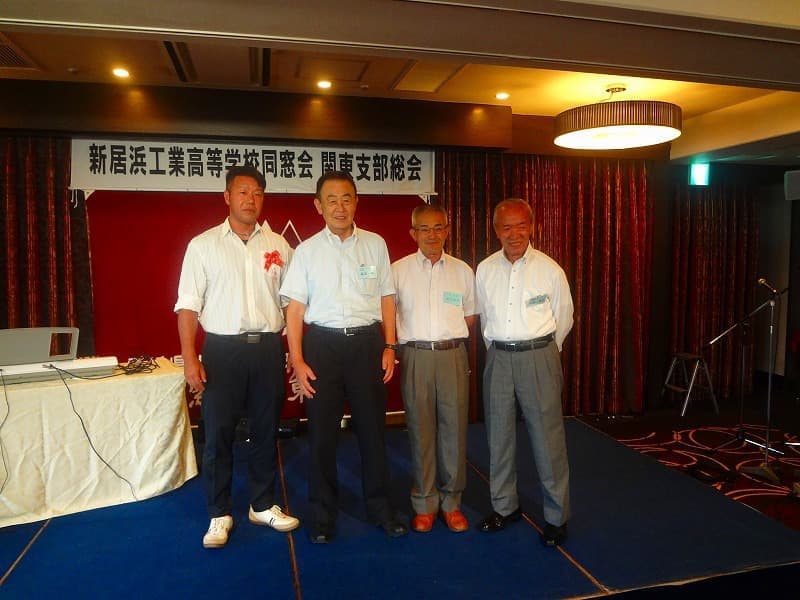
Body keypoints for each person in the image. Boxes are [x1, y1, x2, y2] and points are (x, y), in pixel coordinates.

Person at [175, 164, 299, 549]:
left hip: (267, 349)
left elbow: (292, 304)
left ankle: (262, 504)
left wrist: (294, 352)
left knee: (265, 429)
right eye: (243, 192)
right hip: (222, 350)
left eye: (258, 193)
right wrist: (190, 357)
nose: (251, 199)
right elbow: (187, 306)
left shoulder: (279, 246)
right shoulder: (203, 245)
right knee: (218, 434)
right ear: (227, 196)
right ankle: (219, 512)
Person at [280, 170, 407, 543]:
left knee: (373, 433)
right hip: (323, 347)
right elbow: (294, 310)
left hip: (367, 345)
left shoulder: (375, 244)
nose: (340, 206)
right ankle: (323, 516)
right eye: (331, 200)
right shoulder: (306, 251)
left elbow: (387, 297)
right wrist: (297, 359)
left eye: (346, 198)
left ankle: (381, 509)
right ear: (318, 206)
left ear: (356, 202)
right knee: (322, 437)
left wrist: (390, 346)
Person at [475, 198, 574, 547]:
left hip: (539, 357)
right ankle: (505, 507)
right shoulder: (485, 269)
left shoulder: (550, 269)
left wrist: (543, 353)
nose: (514, 234)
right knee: (498, 437)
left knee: (548, 440)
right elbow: (485, 318)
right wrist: (500, 349)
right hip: (499, 358)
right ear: (496, 230)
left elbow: (564, 317)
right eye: (506, 227)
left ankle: (556, 517)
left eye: (521, 226)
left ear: (531, 227)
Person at [392, 204, 476, 533]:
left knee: (454, 429)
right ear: (412, 233)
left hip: (452, 354)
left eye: (438, 227)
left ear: (447, 231)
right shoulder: (398, 271)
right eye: (424, 229)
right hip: (416, 356)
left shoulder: (462, 271)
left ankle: (452, 502)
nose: (432, 235)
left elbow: (469, 317)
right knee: (420, 430)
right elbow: (389, 316)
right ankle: (425, 502)